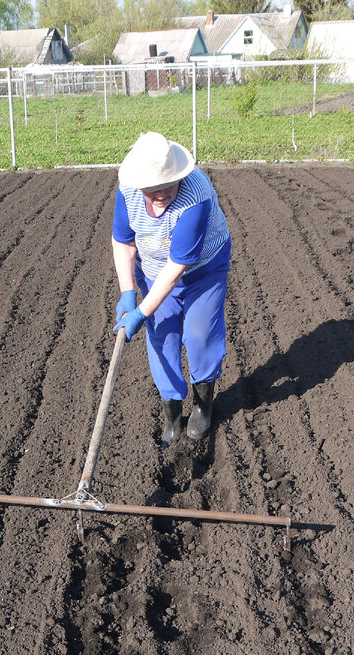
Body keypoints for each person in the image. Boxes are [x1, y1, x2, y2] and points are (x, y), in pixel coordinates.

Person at [111, 132, 232, 444]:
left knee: (199, 335)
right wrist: (128, 291)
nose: (160, 193)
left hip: (203, 269)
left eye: (167, 184)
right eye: (152, 188)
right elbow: (123, 242)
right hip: (153, 270)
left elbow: (178, 265)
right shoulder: (128, 193)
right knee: (162, 339)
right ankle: (173, 414)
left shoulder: (196, 196)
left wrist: (141, 311)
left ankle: (203, 406)